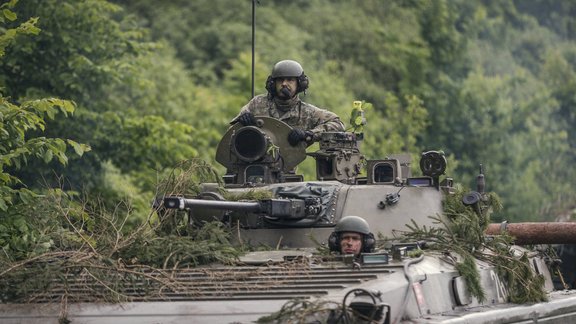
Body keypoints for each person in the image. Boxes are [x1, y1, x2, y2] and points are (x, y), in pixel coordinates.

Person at [231, 59, 345, 146]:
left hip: (286, 170)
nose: (284, 84)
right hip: (251, 163)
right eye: (280, 80)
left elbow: (337, 124)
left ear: (299, 84)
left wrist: (308, 134)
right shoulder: (257, 104)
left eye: (290, 80)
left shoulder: (306, 112)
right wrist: (244, 121)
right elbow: (232, 129)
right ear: (273, 84)